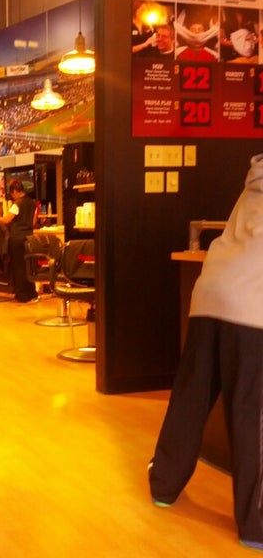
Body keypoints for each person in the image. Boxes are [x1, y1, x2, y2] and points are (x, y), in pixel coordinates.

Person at [148, 154, 263, 552]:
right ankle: (257, 525)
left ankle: (163, 484)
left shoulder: (255, 181)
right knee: (253, 414)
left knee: (191, 398)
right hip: (252, 303)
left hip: (212, 289)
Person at [0, 179, 38, 303]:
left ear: (15, 191)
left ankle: (22, 296)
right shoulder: (32, 203)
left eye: (12, 194)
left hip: (17, 239)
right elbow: (33, 222)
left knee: (18, 268)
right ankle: (32, 293)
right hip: (29, 238)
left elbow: (7, 220)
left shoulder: (17, 204)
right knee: (28, 267)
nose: (12, 196)